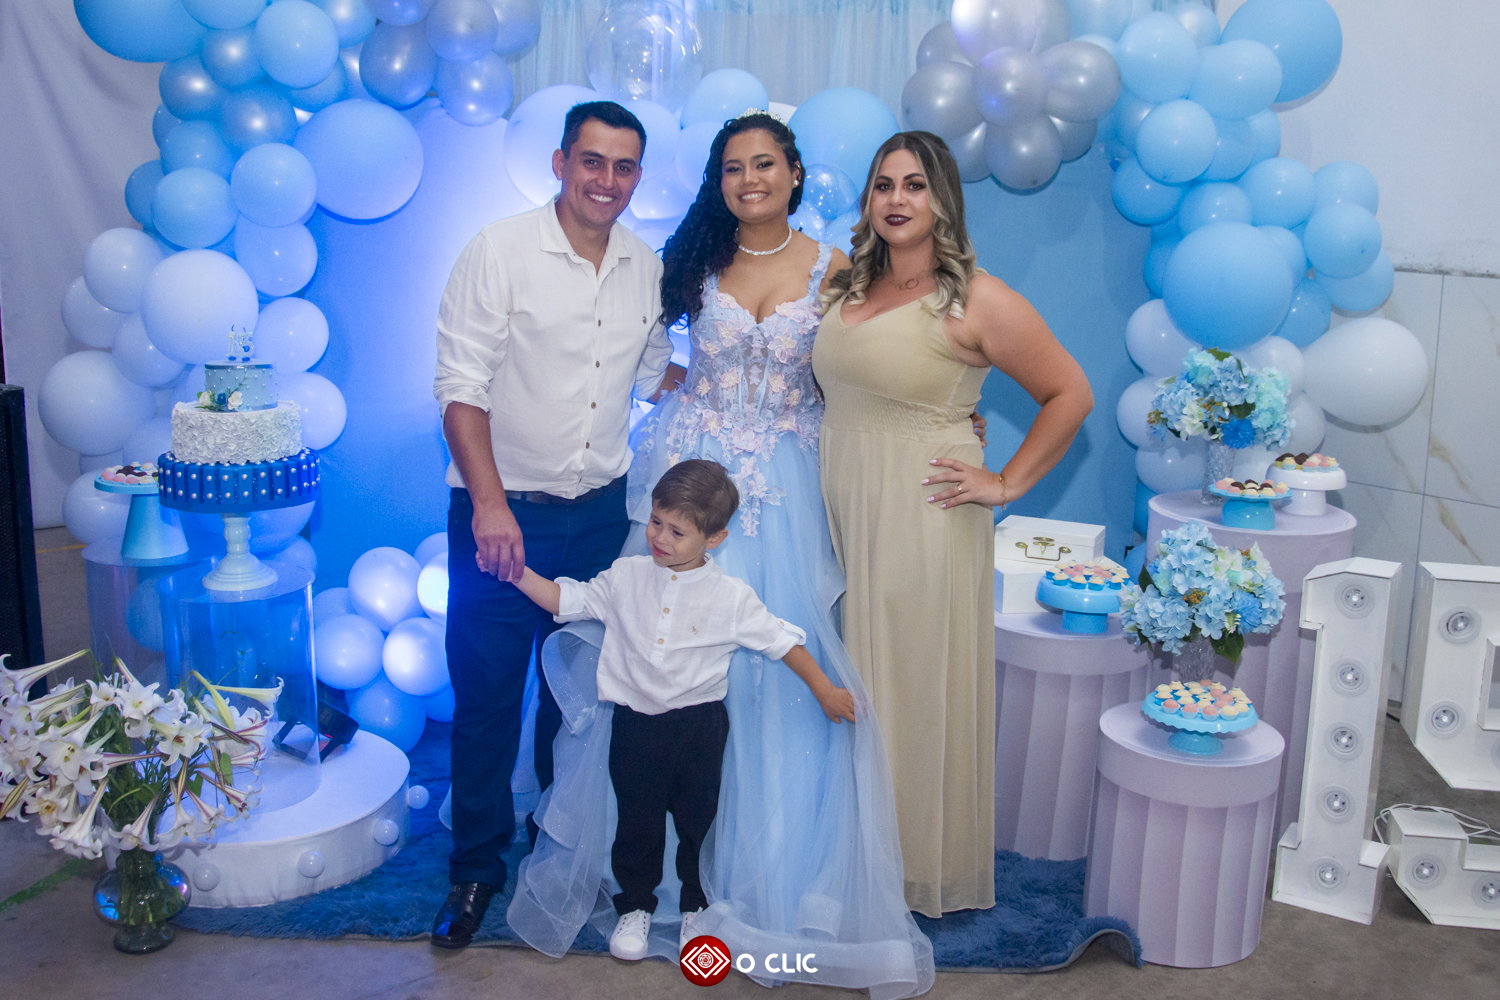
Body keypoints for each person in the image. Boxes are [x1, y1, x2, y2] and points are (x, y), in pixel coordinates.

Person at [508, 112, 936, 999]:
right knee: (657, 650)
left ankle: (757, 870)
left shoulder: (838, 266)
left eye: (765, 165)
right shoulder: (691, 260)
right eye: (734, 167)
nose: (750, 180)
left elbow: (880, 357)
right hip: (690, 473)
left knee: (765, 659)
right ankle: (647, 875)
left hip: (782, 486)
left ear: (794, 173)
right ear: (720, 179)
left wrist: (942, 414)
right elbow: (627, 343)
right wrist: (661, 379)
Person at [814, 131, 1093, 917]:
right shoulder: (844, 285)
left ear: (943, 199)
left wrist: (1004, 482)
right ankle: (849, 857)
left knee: (903, 689)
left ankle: (907, 872)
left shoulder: (978, 299)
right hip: (842, 508)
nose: (897, 200)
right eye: (883, 185)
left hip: (922, 517)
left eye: (915, 185)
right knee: (848, 683)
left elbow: (1070, 393)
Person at [430, 100, 684, 948]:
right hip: (504, 517)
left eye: (623, 166)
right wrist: (490, 506)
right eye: (591, 161)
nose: (606, 180)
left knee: (575, 699)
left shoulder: (645, 266)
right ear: (560, 162)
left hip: (602, 519)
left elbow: (655, 372)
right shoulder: (498, 251)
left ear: (637, 176)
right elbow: (460, 390)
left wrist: (755, 387)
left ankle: (555, 846)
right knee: (488, 697)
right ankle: (475, 869)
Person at [511, 459, 855, 960]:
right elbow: (570, 600)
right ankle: (636, 905)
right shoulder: (626, 575)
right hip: (635, 725)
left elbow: (783, 643)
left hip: (699, 727)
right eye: (656, 522)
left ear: (714, 539)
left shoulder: (730, 597)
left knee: (699, 819)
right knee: (638, 819)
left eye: (677, 531)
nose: (659, 538)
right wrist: (518, 573)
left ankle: (697, 904)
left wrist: (825, 690)